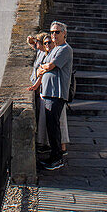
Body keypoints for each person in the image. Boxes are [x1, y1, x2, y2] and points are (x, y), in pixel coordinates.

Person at [36, 21, 73, 170]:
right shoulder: (54, 50)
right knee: (51, 126)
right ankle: (54, 156)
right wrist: (44, 68)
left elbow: (49, 66)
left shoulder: (65, 49)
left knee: (53, 126)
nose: (53, 35)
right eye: (52, 32)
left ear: (64, 33)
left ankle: (57, 157)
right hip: (48, 93)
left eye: (57, 32)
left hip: (56, 93)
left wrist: (45, 67)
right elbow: (41, 67)